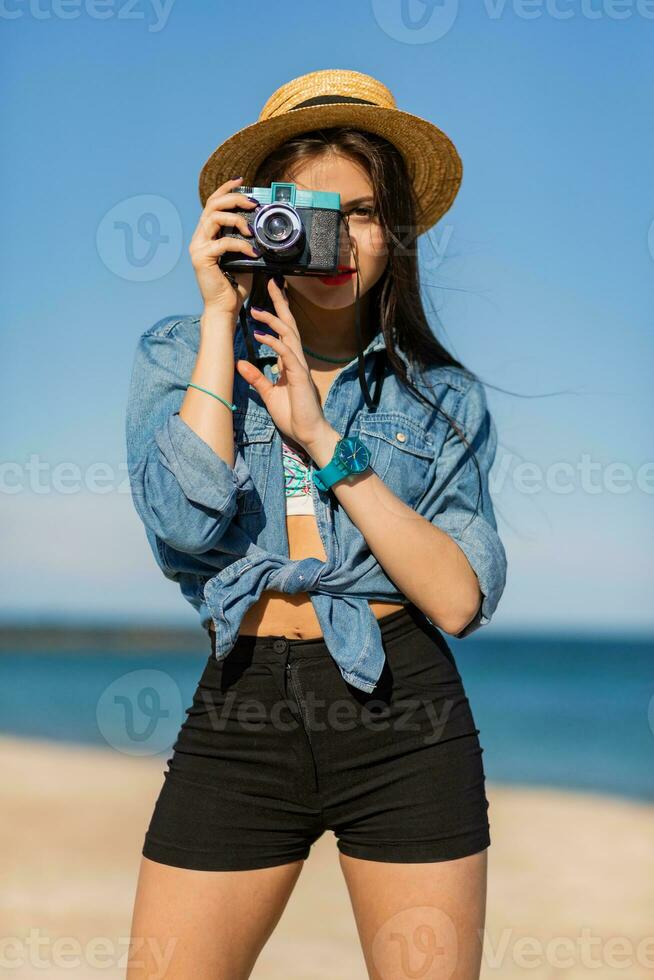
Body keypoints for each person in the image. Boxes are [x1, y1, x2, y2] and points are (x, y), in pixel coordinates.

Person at [126, 69, 507, 980]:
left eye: (365, 213)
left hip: (402, 706)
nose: (335, 239)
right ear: (259, 217)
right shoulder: (182, 352)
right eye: (308, 210)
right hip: (244, 700)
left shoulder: (443, 396)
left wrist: (324, 439)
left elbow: (456, 599)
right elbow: (183, 519)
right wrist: (224, 316)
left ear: (396, 235)